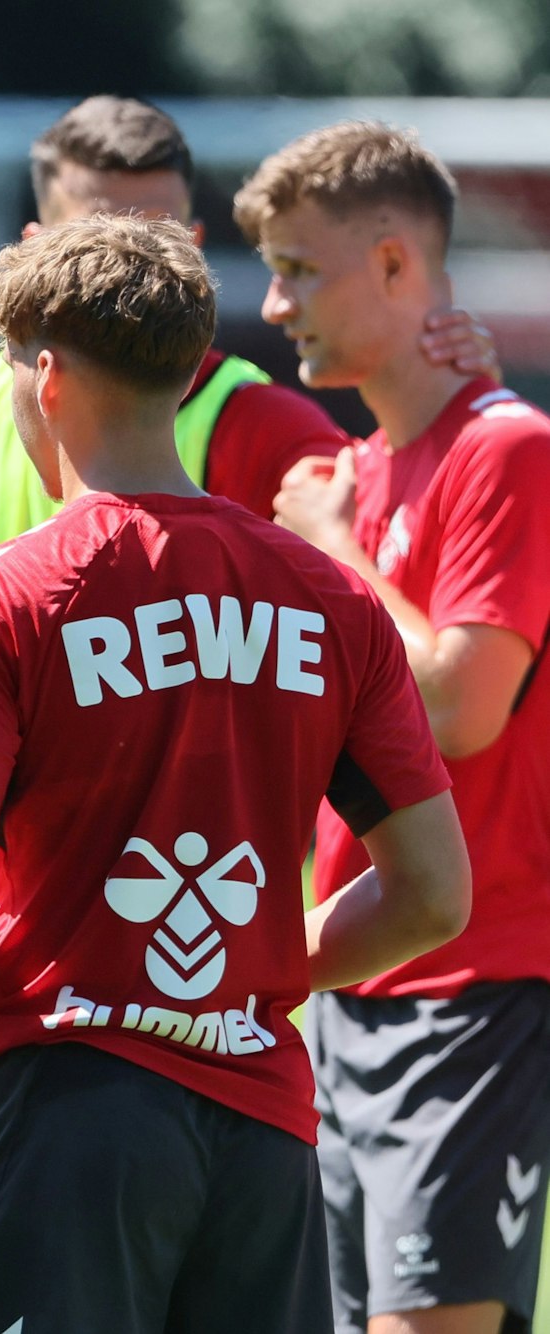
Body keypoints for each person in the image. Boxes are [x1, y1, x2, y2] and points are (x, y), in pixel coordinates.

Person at [0, 214, 472, 1334]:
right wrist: (245, 974)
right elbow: (434, 894)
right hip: (263, 1132)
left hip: (63, 1111)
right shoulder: (331, 599)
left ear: (45, 379)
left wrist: (78, 958)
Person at [242, 122, 550, 1334]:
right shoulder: (352, 474)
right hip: (345, 981)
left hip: (474, 991)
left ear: (392, 264)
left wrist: (331, 552)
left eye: (299, 270)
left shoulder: (508, 448)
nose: (274, 304)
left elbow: (460, 710)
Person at [0, 94, 496, 563]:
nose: (131, 268)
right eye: (97, 241)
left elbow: (396, 575)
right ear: (36, 249)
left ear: (195, 250)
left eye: (158, 238)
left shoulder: (264, 424)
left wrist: (457, 413)